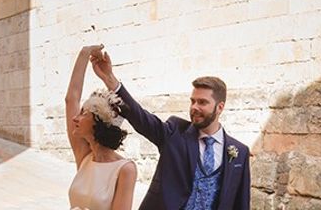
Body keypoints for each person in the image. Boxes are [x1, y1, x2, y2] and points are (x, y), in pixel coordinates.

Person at [89, 47, 251, 210]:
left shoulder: (239, 152)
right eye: (192, 101)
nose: (194, 107)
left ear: (220, 107)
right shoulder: (175, 132)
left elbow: (241, 204)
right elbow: (141, 118)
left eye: (202, 102)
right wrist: (109, 79)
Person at [65, 44, 137, 210]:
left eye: (84, 114)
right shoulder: (84, 155)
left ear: (99, 122)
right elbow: (71, 99)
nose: (76, 118)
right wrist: (85, 53)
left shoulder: (125, 169)